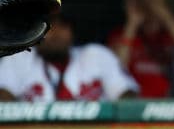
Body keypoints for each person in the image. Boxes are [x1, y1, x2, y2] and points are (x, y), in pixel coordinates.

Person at [0, 13, 139, 102]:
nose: (56, 33)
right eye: (47, 27)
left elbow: (127, 95)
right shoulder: (19, 58)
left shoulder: (96, 55)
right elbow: (3, 97)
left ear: (73, 32)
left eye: (63, 26)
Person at [108, 0, 174, 98]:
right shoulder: (121, 34)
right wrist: (132, 24)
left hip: (171, 104)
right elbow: (115, 71)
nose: (149, 3)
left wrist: (166, 16)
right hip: (134, 106)